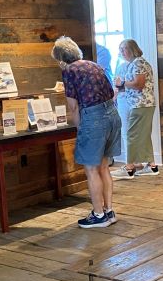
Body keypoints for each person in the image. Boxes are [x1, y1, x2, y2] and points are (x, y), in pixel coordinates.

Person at [52, 37, 122, 228]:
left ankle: (98, 215)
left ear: (60, 58)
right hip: (112, 115)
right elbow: (111, 91)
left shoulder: (69, 71)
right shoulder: (95, 65)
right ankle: (109, 211)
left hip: (93, 118)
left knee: (91, 169)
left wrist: (79, 128)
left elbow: (73, 107)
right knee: (104, 166)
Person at [110, 39, 159, 180]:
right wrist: (120, 88)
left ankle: (129, 168)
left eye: (123, 49)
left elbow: (139, 84)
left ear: (132, 49)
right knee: (143, 135)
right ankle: (152, 166)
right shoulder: (135, 63)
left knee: (131, 134)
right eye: (120, 50)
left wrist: (122, 83)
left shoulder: (138, 63)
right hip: (140, 104)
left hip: (141, 104)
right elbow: (135, 85)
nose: (121, 52)